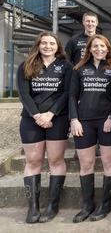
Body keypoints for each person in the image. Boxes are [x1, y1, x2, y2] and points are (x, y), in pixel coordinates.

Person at [17, 31, 73, 223]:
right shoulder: (26, 65)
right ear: (38, 45)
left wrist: (51, 113)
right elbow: (24, 94)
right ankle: (33, 208)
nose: (48, 46)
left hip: (57, 118)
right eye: (44, 43)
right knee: (33, 161)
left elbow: (67, 93)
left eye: (52, 43)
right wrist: (37, 115)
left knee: (56, 160)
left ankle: (52, 206)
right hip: (31, 119)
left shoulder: (66, 66)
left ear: (58, 46)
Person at [69, 35, 111, 223]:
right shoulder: (79, 69)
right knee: (86, 164)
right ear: (89, 49)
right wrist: (74, 119)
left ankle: (105, 204)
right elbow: (72, 96)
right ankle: (87, 205)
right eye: (95, 46)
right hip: (84, 122)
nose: (99, 49)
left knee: (108, 161)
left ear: (108, 49)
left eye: (103, 46)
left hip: (107, 122)